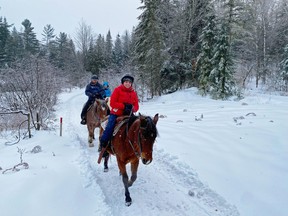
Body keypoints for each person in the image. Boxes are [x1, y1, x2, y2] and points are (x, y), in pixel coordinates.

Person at [99, 74, 139, 151]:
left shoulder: (133, 93)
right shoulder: (117, 90)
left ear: (131, 84)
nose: (128, 83)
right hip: (116, 114)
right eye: (126, 82)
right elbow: (112, 103)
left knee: (138, 126)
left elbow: (136, 105)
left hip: (129, 114)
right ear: (123, 83)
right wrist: (124, 106)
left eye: (129, 82)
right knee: (110, 126)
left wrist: (132, 108)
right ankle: (103, 144)